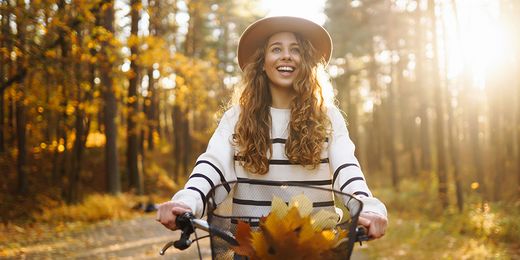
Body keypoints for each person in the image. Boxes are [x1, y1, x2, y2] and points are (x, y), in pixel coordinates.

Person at [156, 16, 387, 240]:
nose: (286, 56)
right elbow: (213, 165)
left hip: (313, 246)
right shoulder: (236, 117)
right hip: (250, 247)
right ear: (262, 62)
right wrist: (187, 200)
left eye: (296, 49)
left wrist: (368, 207)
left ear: (306, 61)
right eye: (276, 49)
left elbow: (347, 169)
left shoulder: (327, 117)